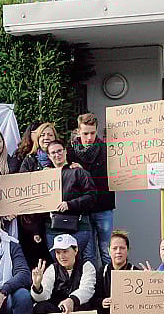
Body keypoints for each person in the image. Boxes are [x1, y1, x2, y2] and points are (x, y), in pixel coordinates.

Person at [69, 113, 115, 270]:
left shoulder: (106, 150)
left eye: (92, 133)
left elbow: (108, 178)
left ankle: (109, 284)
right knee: (88, 253)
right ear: (78, 132)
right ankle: (92, 288)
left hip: (104, 206)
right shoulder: (71, 152)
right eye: (85, 133)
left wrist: (84, 173)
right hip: (83, 209)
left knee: (107, 251)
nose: (89, 137)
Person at [44, 139, 97, 263]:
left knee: (79, 262)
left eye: (59, 151)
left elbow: (91, 196)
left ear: (66, 151)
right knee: (58, 263)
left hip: (78, 226)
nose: (57, 155)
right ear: (49, 156)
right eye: (53, 153)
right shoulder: (44, 176)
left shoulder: (78, 172)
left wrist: (70, 204)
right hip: (53, 228)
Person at [94, 231, 141, 314]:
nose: (118, 252)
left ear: (128, 250)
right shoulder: (102, 272)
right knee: (99, 312)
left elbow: (142, 303)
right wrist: (102, 301)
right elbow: (95, 297)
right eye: (114, 248)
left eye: (122, 248)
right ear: (109, 251)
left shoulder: (135, 272)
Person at [18, 122, 60, 269]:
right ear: (37, 139)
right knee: (37, 261)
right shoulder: (29, 160)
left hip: (57, 220)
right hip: (34, 222)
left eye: (50, 134)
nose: (46, 138)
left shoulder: (62, 159)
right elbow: (21, 188)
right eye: (42, 135)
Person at [30, 234, 97, 314]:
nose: (62, 256)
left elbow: (87, 289)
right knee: (41, 307)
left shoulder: (86, 266)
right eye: (58, 252)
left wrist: (72, 300)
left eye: (65, 251)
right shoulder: (52, 268)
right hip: (57, 311)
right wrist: (37, 286)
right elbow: (43, 297)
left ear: (75, 250)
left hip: (78, 309)